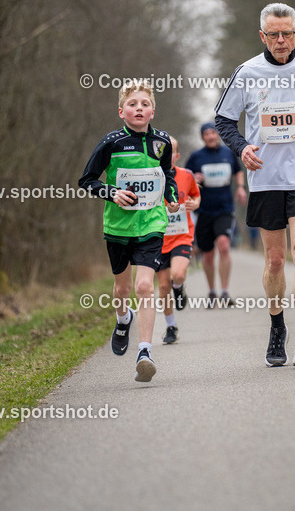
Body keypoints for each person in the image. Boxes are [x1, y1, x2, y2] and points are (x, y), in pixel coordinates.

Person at [215, 2, 295, 367]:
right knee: (275, 260)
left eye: (287, 33)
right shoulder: (246, 73)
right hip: (265, 177)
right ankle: (277, 328)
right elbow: (223, 121)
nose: (281, 40)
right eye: (273, 34)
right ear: (263, 36)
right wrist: (242, 148)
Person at [79, 81, 179, 381]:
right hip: (118, 226)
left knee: (144, 287)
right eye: (132, 104)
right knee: (122, 289)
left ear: (152, 111)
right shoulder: (111, 143)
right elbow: (86, 180)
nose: (139, 108)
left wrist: (171, 197)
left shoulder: (162, 143)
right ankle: (123, 319)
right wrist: (111, 193)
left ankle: (145, 351)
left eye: (144, 104)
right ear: (121, 111)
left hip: (152, 223)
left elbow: (167, 176)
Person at [186, 122, 246, 307]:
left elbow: (238, 171)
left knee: (224, 246)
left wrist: (241, 188)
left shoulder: (228, 153)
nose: (211, 136)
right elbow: (184, 178)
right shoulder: (196, 157)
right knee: (208, 254)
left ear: (218, 135)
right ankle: (212, 291)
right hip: (203, 210)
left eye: (213, 133)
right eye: (207, 134)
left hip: (225, 209)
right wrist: (194, 179)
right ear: (203, 137)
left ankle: (225, 291)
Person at [156, 138, 200, 344]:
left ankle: (179, 287)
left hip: (182, 234)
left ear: (177, 155)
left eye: (171, 151)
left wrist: (194, 203)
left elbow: (195, 196)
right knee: (163, 286)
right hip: (157, 237)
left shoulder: (186, 175)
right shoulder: (151, 176)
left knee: (178, 273)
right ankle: (171, 326)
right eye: (162, 151)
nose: (167, 155)